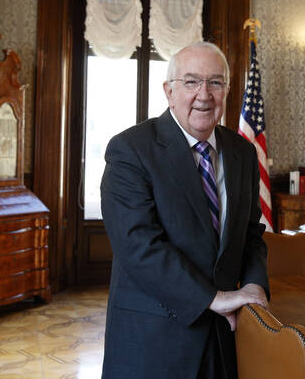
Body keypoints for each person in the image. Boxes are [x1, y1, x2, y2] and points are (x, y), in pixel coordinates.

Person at [100, 42, 269, 378]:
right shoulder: (130, 150)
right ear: (169, 91)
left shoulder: (243, 153)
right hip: (155, 340)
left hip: (226, 336)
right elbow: (138, 245)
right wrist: (212, 298)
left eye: (215, 82)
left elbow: (251, 234)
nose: (203, 94)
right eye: (191, 82)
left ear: (227, 90)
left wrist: (254, 287)